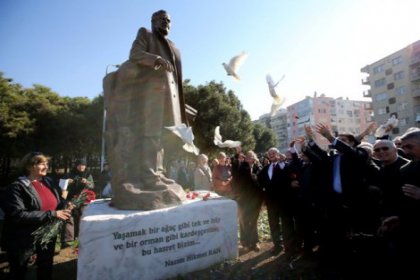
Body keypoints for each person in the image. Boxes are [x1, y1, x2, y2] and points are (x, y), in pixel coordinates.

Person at [103, 9, 188, 210]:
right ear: (153, 21)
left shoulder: (175, 47)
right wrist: (155, 59)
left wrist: (182, 106)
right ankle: (148, 177)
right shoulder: (146, 34)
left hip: (169, 98)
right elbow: (135, 54)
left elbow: (178, 79)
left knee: (160, 137)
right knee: (150, 134)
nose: (165, 23)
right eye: (161, 20)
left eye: (168, 21)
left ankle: (157, 173)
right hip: (148, 95)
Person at [1, 152, 72, 280]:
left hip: (47, 234)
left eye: (46, 163)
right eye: (41, 164)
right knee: (19, 271)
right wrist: (53, 214)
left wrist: (66, 204)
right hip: (23, 237)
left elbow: (57, 201)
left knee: (45, 268)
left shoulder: (48, 181)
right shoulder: (17, 187)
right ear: (29, 167)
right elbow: (17, 215)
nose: (46, 166)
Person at [61, 159, 94, 247]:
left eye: (83, 165)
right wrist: (68, 182)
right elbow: (61, 184)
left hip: (83, 199)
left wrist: (86, 182)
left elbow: (92, 185)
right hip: (70, 199)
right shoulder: (69, 174)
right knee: (68, 218)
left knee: (81, 218)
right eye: (79, 165)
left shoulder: (88, 175)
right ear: (76, 166)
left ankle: (80, 238)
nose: (81, 167)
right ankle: (67, 241)